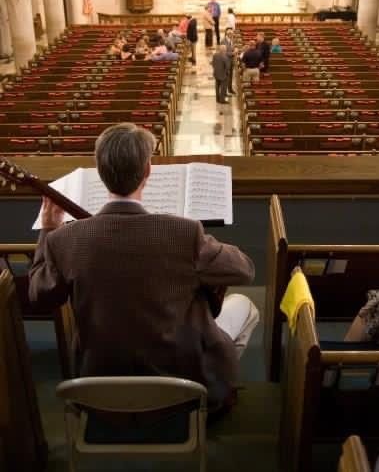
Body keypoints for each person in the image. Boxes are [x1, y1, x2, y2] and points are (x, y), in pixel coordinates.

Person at [29, 123, 259, 414]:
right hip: (181, 391)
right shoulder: (184, 232)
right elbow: (245, 269)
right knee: (245, 307)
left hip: (100, 390)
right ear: (148, 171)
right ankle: (211, 393)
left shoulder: (65, 239)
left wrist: (48, 231)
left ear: (100, 173)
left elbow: (39, 294)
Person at [221, 28, 236, 95]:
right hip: (226, 62)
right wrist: (233, 53)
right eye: (232, 34)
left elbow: (231, 48)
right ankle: (224, 91)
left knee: (230, 76)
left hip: (231, 61)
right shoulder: (223, 41)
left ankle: (230, 89)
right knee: (226, 77)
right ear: (228, 34)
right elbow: (224, 52)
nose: (233, 35)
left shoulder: (231, 40)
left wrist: (234, 49)